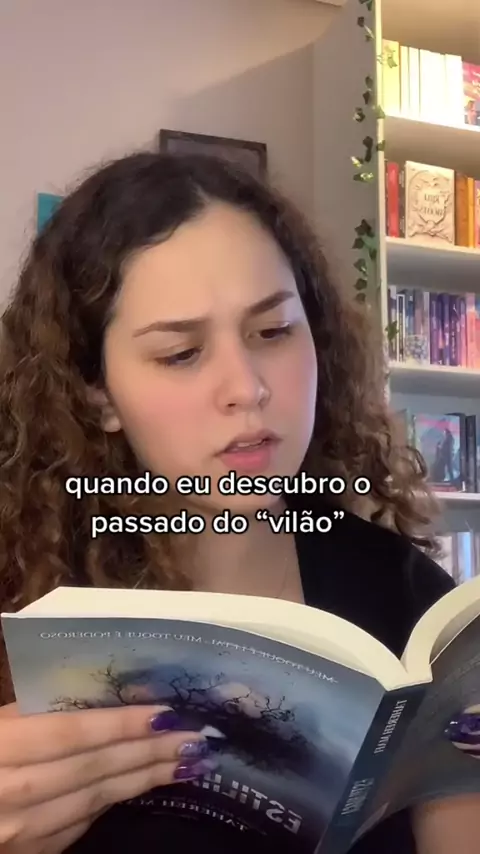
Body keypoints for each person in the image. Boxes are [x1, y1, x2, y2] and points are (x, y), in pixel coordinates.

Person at [0, 150, 477, 854]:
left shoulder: (406, 602)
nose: (247, 387)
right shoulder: (20, 590)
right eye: (181, 353)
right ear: (97, 394)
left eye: (273, 332)